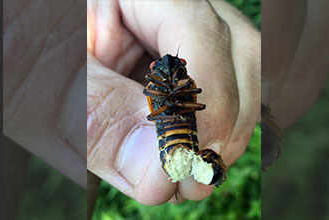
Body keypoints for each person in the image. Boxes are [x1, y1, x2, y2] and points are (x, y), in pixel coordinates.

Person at [87, 0, 260, 205]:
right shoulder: (170, 87)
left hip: (174, 124)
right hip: (174, 126)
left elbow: (186, 97)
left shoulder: (179, 85)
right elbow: (159, 102)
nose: (169, 66)